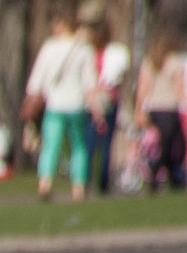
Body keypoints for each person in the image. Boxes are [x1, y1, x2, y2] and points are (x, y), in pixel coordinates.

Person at [26, 10, 97, 201]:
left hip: (55, 104)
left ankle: (45, 182)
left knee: (51, 145)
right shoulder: (84, 49)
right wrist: (95, 105)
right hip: (76, 103)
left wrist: (32, 97)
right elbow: (89, 82)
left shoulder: (50, 47)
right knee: (78, 146)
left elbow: (37, 78)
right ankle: (78, 186)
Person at [132, 32, 184, 192]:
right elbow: (179, 88)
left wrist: (139, 109)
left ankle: (173, 175)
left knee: (167, 144)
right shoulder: (175, 63)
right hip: (168, 108)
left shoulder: (149, 62)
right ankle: (158, 171)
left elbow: (142, 89)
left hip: (154, 108)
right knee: (171, 144)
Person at [84, 17, 128, 195]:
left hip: (102, 99)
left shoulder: (110, 53)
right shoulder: (90, 53)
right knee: (94, 141)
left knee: (97, 141)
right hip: (96, 99)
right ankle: (92, 180)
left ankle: (96, 180)